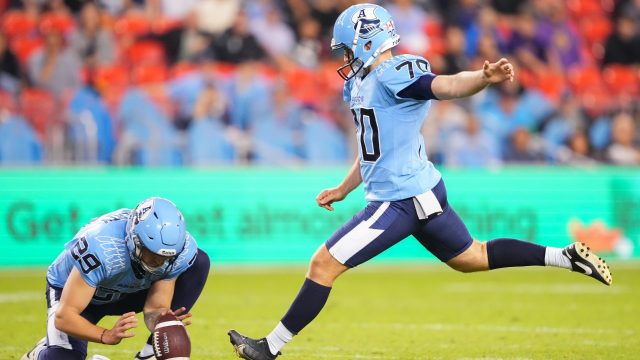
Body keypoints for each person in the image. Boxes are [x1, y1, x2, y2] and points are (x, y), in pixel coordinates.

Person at [228, 4, 612, 360]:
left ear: (365, 42)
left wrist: (483, 77)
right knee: (471, 258)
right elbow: (372, 149)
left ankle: (270, 348)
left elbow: (445, 85)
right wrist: (344, 188)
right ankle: (564, 256)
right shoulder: (360, 84)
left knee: (322, 264)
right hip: (418, 191)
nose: (343, 59)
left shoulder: (396, 73)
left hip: (400, 200)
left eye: (347, 49)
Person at [21, 197, 210, 360]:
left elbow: (156, 306)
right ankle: (39, 353)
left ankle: (149, 354)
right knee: (64, 358)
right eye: (151, 253)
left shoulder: (181, 251)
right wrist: (105, 335)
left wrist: (164, 323)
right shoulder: (102, 247)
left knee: (199, 262)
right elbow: (64, 317)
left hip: (127, 289)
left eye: (165, 257)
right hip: (77, 296)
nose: (158, 262)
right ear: (134, 239)